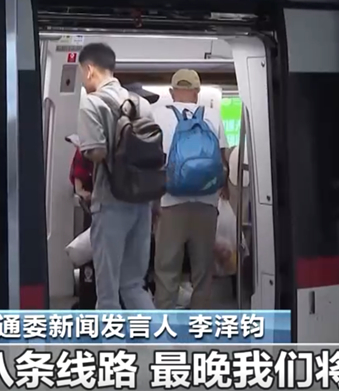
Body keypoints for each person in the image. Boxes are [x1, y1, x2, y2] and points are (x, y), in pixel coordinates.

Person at [76, 42, 158, 310]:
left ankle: (110, 339)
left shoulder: (92, 103)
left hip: (110, 202)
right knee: (133, 285)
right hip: (142, 201)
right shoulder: (141, 103)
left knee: (107, 293)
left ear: (89, 69)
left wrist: (84, 145)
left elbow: (97, 152)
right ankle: (158, 336)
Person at [151, 69, 229, 309]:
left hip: (170, 203)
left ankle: (165, 323)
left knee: (167, 270)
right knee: (203, 272)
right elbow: (224, 160)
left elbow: (152, 162)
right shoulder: (213, 116)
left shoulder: (157, 115)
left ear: (171, 91)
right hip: (207, 204)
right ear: (197, 91)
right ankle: (199, 325)